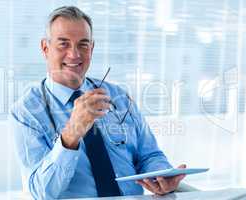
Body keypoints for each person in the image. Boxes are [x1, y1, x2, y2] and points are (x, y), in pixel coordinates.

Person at [10, 6, 186, 199]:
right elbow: (41, 192)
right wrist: (72, 133)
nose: (74, 54)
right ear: (45, 48)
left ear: (91, 49)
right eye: (63, 44)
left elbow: (150, 155)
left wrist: (161, 176)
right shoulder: (26, 111)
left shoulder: (118, 96)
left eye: (83, 45)